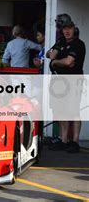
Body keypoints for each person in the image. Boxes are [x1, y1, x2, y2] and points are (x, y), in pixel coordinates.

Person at [48, 18, 86, 153]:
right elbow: (50, 55)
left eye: (69, 28)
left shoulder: (78, 44)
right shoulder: (61, 42)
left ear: (74, 29)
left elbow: (69, 62)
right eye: (64, 29)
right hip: (59, 81)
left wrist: (55, 63)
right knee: (61, 110)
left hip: (74, 81)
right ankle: (63, 140)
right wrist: (57, 56)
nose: (67, 31)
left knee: (74, 110)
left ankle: (74, 141)